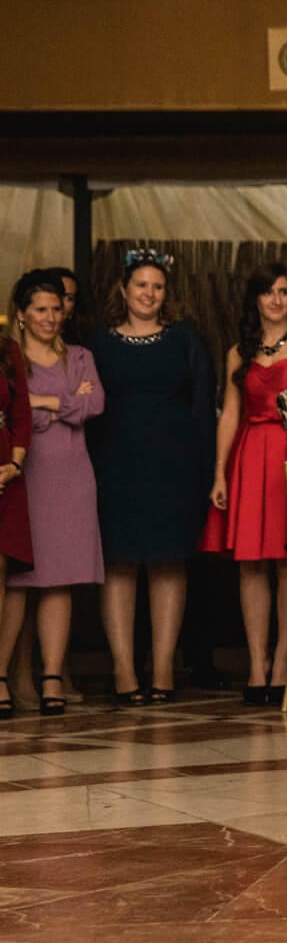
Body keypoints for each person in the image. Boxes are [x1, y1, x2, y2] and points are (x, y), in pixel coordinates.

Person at [88, 250, 214, 705]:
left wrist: (205, 469)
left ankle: (163, 670)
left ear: (167, 294)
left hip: (174, 467)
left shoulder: (184, 339)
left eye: (157, 286)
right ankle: (124, 671)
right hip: (114, 467)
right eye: (141, 285)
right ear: (123, 290)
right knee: (119, 565)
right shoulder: (97, 343)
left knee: (168, 563)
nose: (149, 293)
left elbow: (203, 407)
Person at [200, 264, 287, 705]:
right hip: (249, 452)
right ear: (255, 298)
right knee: (250, 564)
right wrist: (220, 471)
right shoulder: (240, 350)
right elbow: (230, 413)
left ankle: (284, 664)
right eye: (269, 292)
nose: (277, 300)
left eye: (285, 291)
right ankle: (256, 666)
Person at [0, 273, 103, 718]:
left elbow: (94, 405)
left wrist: (43, 403)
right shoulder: (9, 359)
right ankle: (3, 675)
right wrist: (58, 404)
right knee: (18, 582)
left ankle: (52, 677)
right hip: (25, 476)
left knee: (60, 580)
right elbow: (15, 413)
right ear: (21, 315)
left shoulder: (81, 356)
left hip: (73, 478)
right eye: (40, 309)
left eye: (56, 309)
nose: (50, 317)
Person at [0, 314, 32, 718]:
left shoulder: (8, 352)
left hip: (5, 472)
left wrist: (14, 465)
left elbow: (21, 414)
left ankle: (0, 672)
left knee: (5, 571)